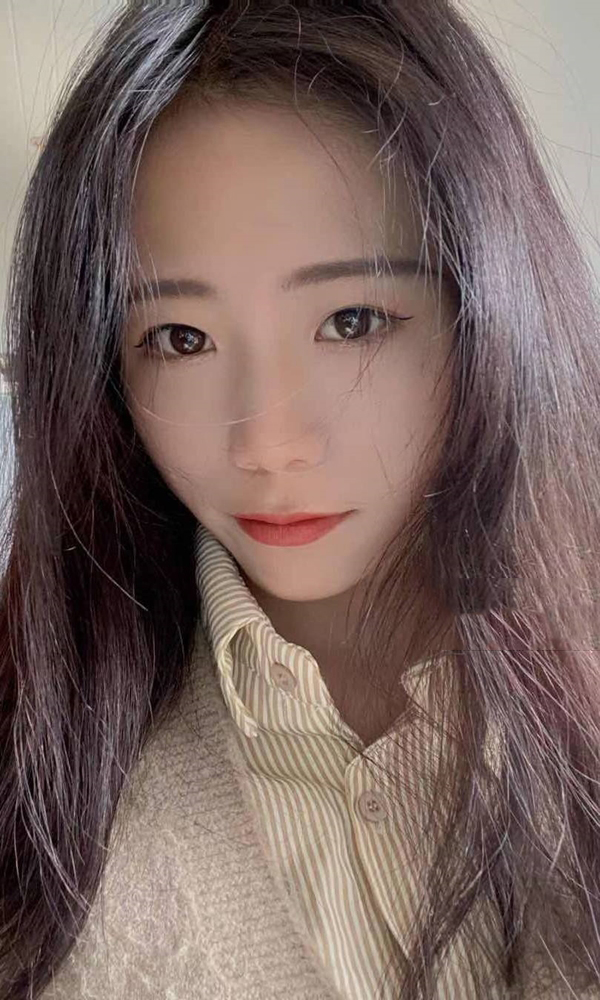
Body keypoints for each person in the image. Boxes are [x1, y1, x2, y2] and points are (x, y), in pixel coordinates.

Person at [1, 0, 599, 997]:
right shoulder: (36, 766)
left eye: (353, 320)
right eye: (181, 339)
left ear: (490, 308)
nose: (270, 442)